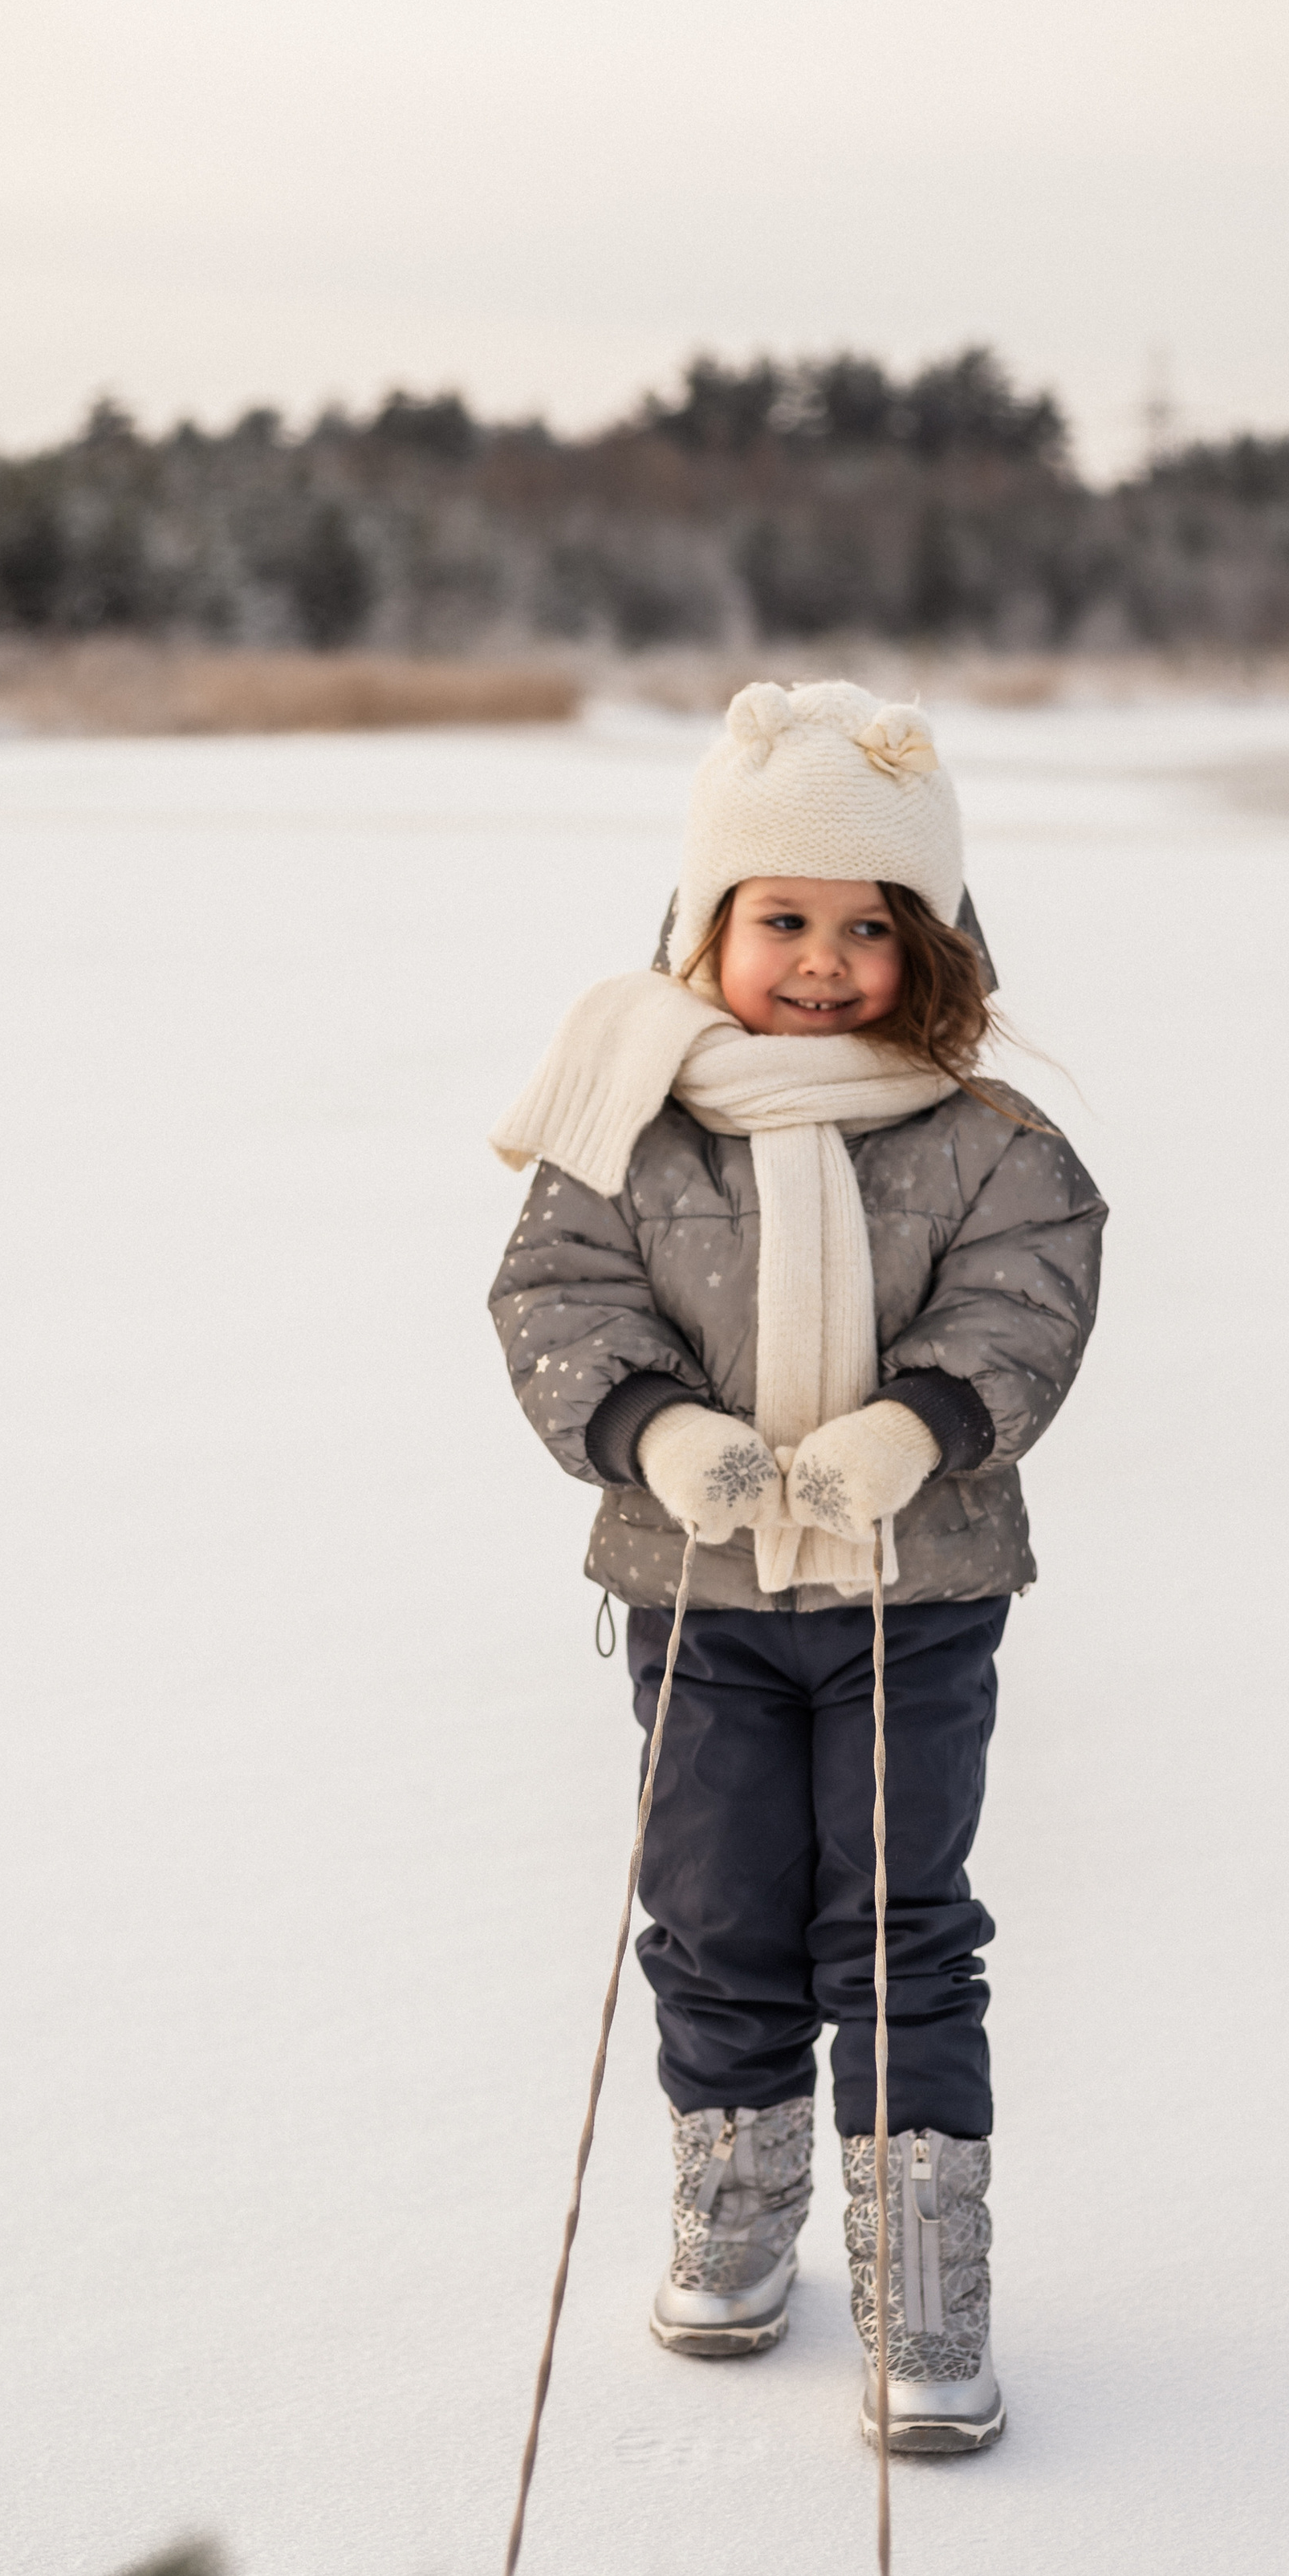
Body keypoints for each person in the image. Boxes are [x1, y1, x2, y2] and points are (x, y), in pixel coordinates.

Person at [487, 681, 1105, 2456]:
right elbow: (554, 1295)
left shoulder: (991, 1143)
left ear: (932, 944)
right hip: (701, 1606)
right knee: (714, 1907)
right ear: (708, 926)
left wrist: (914, 1427)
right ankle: (737, 2207)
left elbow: (1026, 1300)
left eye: (868, 926)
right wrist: (653, 1435)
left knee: (898, 1922)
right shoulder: (634, 1116)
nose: (823, 962)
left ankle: (925, 2281)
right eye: (783, 919)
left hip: (916, 1602)